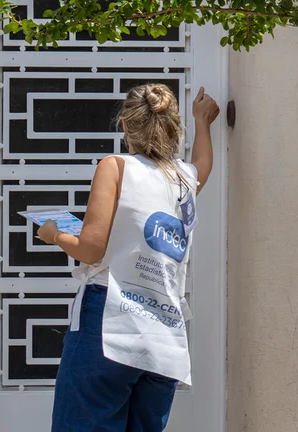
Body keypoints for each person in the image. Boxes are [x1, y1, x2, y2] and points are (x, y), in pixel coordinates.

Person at [36, 84, 220, 432]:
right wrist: (203, 122)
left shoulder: (115, 167)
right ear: (172, 126)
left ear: (124, 124)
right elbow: (203, 165)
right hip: (164, 333)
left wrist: (54, 235)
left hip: (109, 320)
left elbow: (91, 250)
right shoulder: (184, 178)